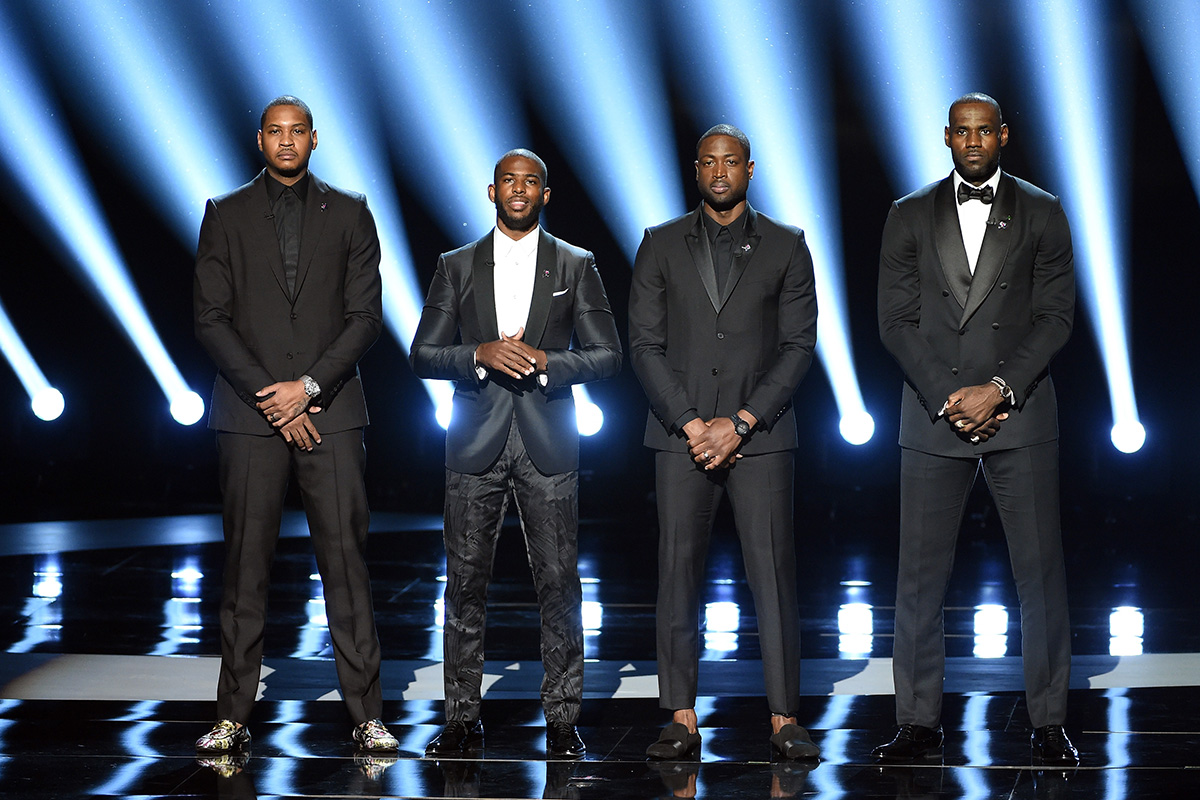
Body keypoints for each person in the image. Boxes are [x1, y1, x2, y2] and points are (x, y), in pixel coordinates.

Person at [874, 93, 1078, 764]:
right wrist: (949, 396)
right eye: (960, 131)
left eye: (982, 131)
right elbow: (895, 322)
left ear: (1003, 136)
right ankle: (917, 721)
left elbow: (1055, 318)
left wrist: (997, 391)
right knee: (920, 580)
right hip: (934, 416)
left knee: (1039, 574)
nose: (971, 141)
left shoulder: (1042, 211)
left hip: (1019, 413)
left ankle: (1049, 722)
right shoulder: (907, 214)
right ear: (945, 137)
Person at [193, 95, 397, 754]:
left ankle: (367, 714)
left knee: (346, 565)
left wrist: (306, 390)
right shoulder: (224, 214)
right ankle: (231, 716)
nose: (286, 141)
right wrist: (270, 398)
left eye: (297, 131)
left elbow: (366, 318)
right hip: (249, 419)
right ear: (260, 140)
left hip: (331, 414)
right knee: (244, 570)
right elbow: (210, 318)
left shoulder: (352, 212)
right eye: (275, 132)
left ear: (315, 138)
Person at [410, 148, 622, 759]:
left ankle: (561, 718)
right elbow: (423, 353)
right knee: (464, 585)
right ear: (491, 190)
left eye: (531, 181)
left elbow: (609, 354)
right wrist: (478, 353)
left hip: (548, 441)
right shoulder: (456, 266)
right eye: (509, 180)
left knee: (558, 583)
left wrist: (549, 363)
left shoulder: (575, 264)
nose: (520, 189)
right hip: (473, 440)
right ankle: (460, 716)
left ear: (546, 194)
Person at [628, 124, 820, 761]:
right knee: (676, 574)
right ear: (695, 168)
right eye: (708, 162)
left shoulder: (788, 245)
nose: (719, 172)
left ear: (750, 168)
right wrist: (690, 423)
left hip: (760, 438)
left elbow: (797, 348)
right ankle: (680, 716)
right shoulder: (659, 244)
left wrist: (739, 423)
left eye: (730, 162)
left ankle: (784, 718)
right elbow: (645, 347)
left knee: (772, 575)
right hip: (678, 437)